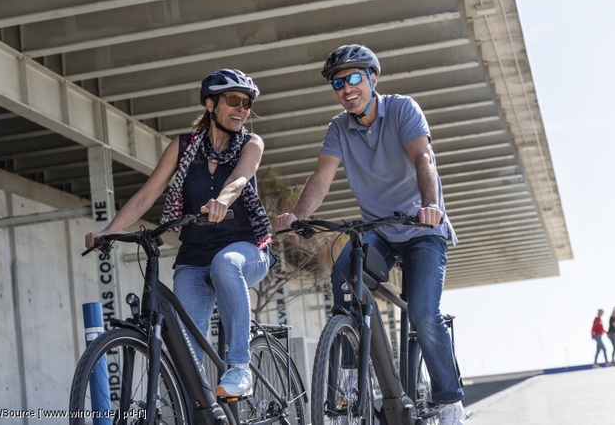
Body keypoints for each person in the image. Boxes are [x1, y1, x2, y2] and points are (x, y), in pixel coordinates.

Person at [276, 44, 465, 425]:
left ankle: (449, 402)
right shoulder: (338, 128)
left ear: (372, 78)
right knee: (343, 277)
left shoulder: (402, 109)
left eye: (354, 78)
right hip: (377, 229)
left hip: (420, 228)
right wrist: (297, 216)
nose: (346, 88)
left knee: (424, 314)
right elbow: (322, 178)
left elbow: (423, 159)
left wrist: (432, 206)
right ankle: (347, 381)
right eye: (337, 83)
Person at [85, 69, 274, 398]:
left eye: (247, 104)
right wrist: (108, 232)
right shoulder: (184, 147)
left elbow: (240, 180)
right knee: (185, 360)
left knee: (225, 263)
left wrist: (221, 202)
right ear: (210, 104)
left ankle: (240, 367)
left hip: (246, 251)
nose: (242, 109)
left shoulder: (251, 143)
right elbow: (147, 195)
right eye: (234, 101)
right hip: (194, 256)